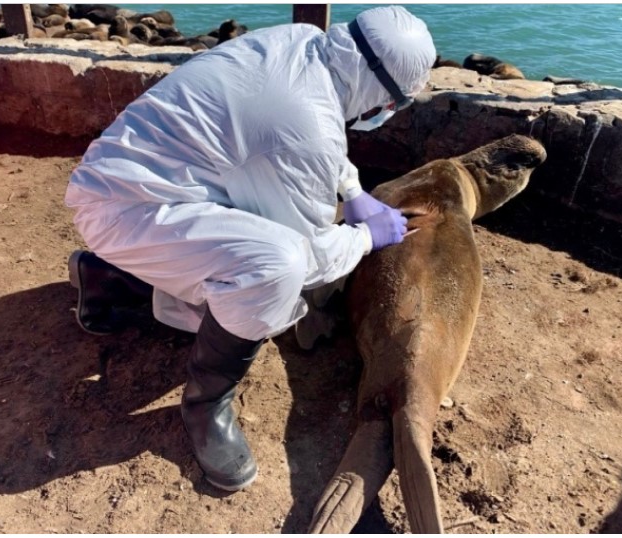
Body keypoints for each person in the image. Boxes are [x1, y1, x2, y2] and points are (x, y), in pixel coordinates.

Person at [64, 5, 436, 492]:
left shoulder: (305, 43)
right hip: (126, 209)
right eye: (394, 104)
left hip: (134, 177)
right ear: (379, 92)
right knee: (275, 267)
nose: (387, 114)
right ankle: (205, 405)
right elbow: (312, 254)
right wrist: (367, 237)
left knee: (254, 237)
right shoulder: (306, 123)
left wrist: (354, 192)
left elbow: (310, 135)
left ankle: (107, 277)